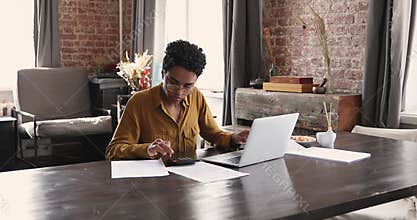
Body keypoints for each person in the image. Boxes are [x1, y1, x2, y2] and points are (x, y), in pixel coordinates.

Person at [106, 40, 249, 160]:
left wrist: (233, 138)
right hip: (152, 184)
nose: (180, 91)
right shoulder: (139, 102)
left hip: (189, 180)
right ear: (163, 73)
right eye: (173, 83)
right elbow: (113, 151)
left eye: (188, 86)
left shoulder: (196, 97)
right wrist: (147, 149)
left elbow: (212, 134)